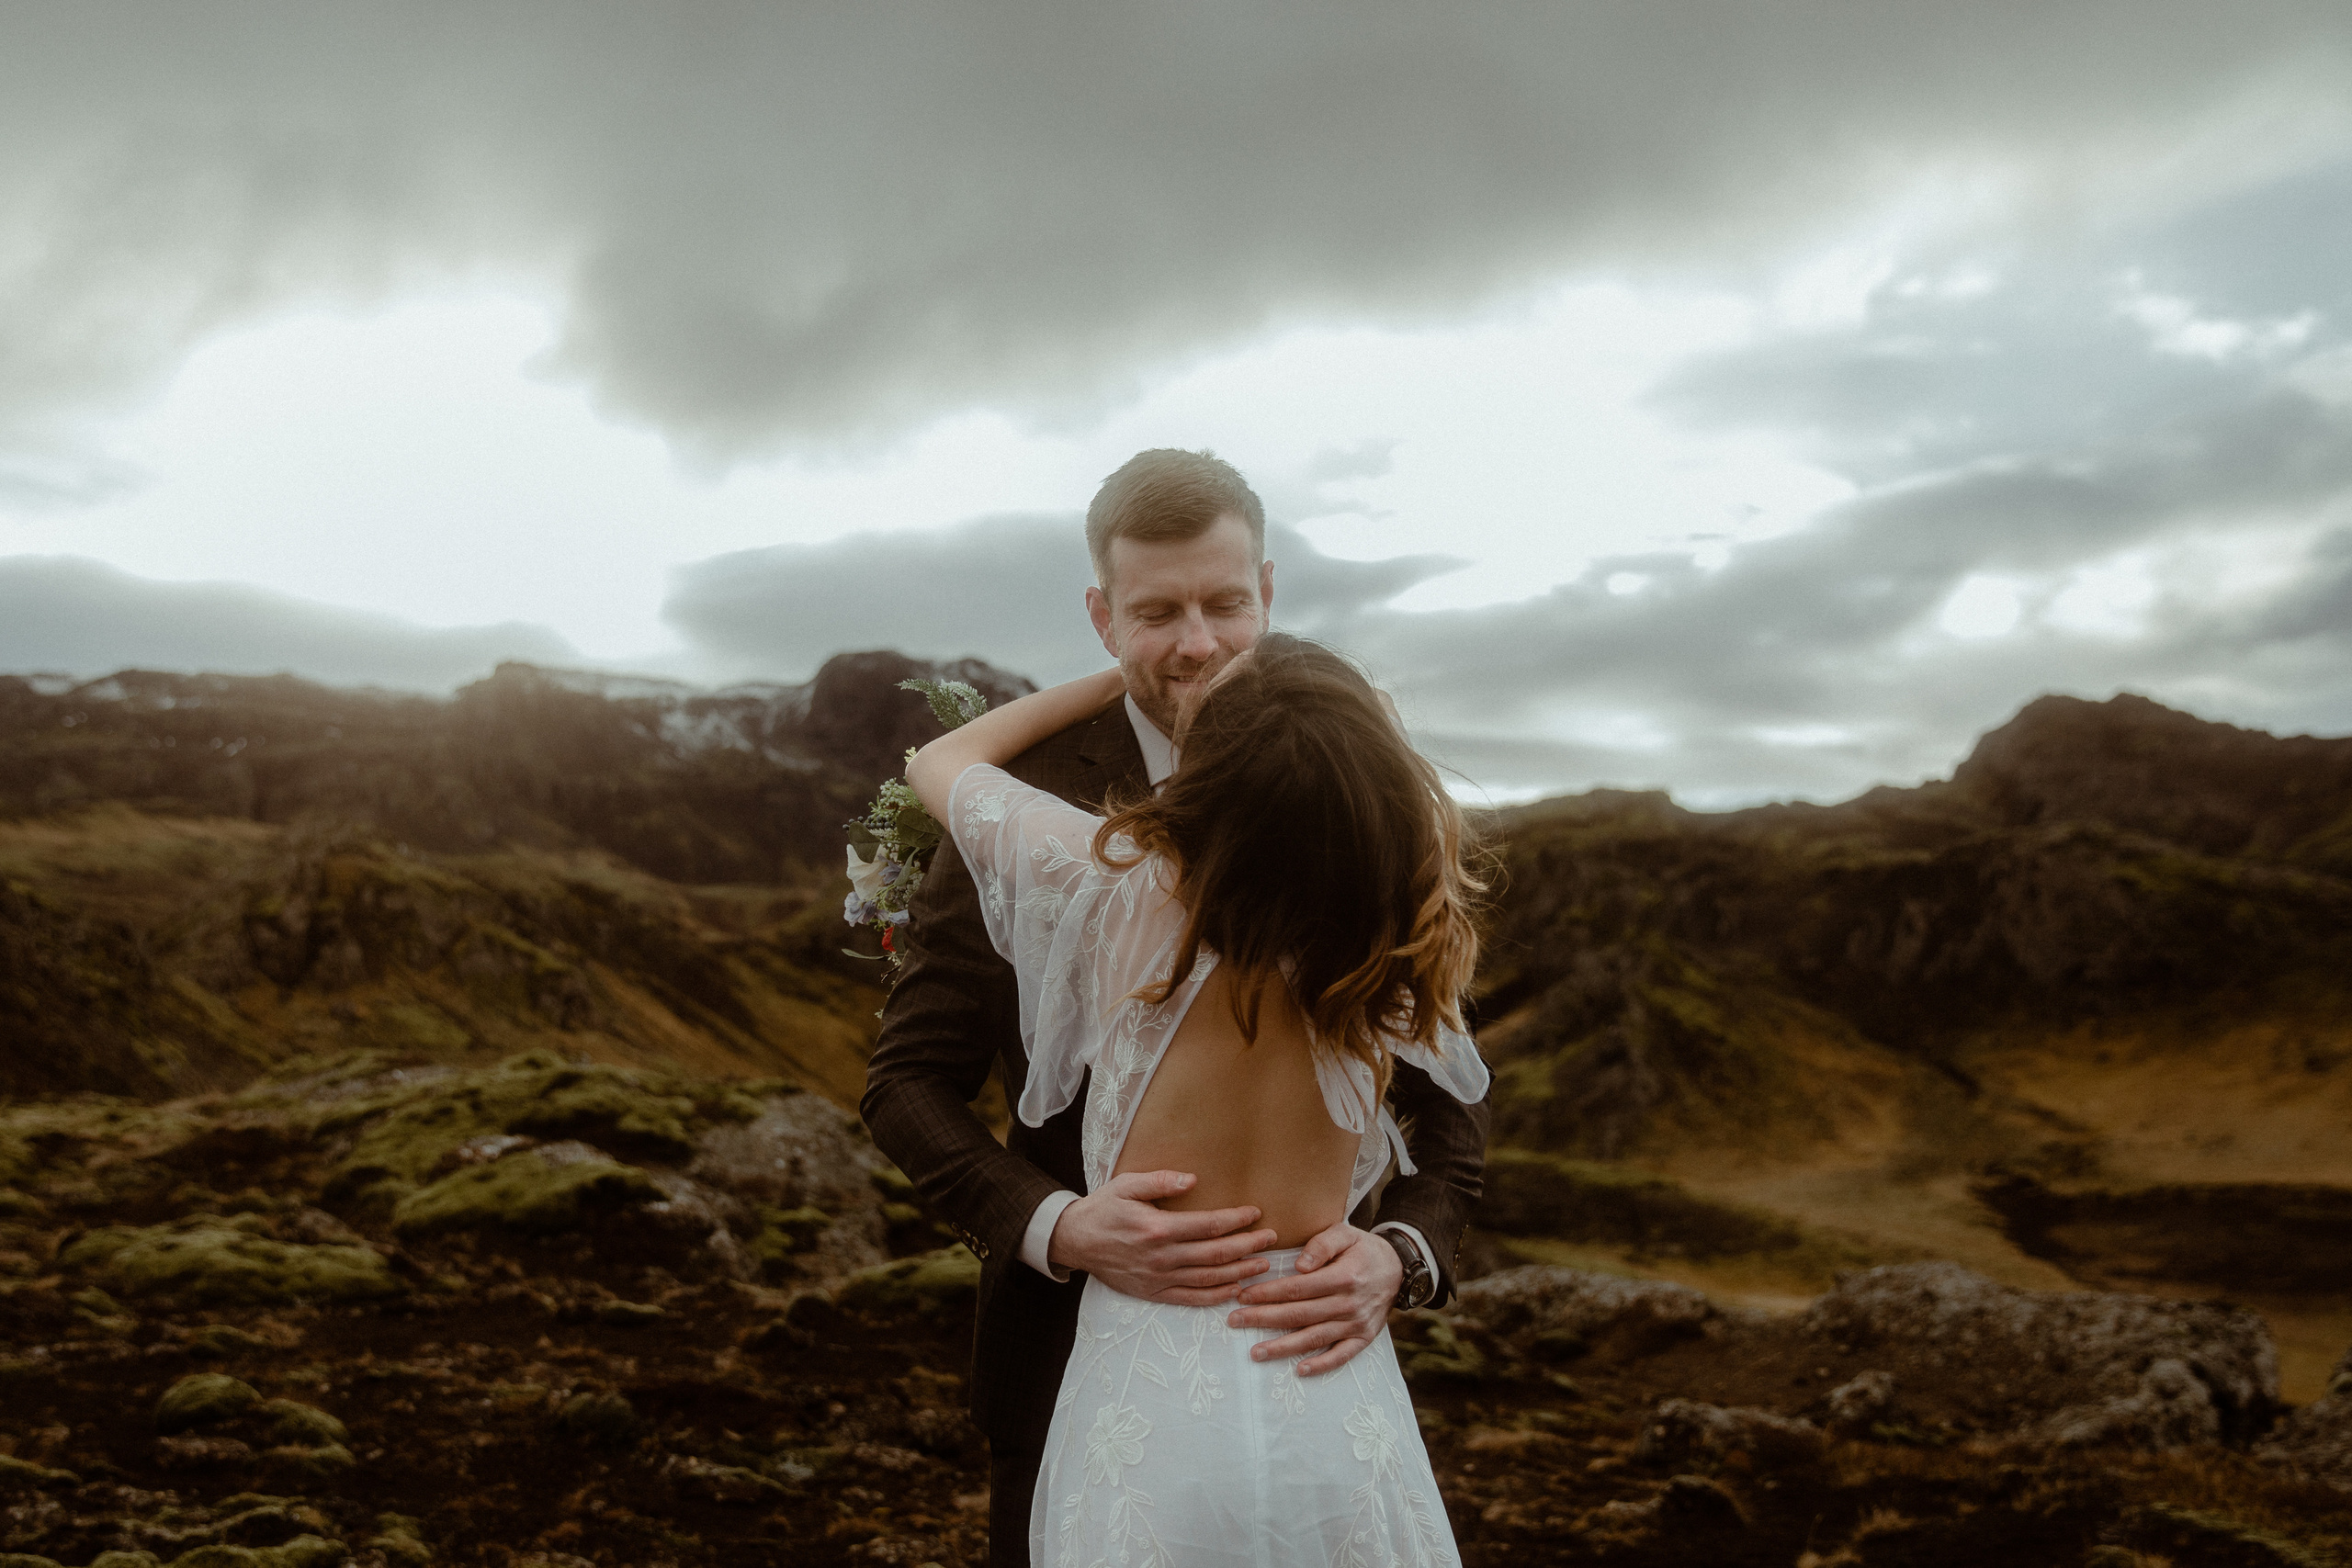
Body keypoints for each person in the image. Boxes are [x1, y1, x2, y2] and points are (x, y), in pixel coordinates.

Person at [861, 449, 1490, 1564]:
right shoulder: (1393, 844)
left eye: (1225, 608)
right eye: (1158, 614)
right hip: (1073, 1361)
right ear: (1102, 617)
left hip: (1303, 1356)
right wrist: (1056, 1225)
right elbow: (906, 1080)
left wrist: (1403, 1251)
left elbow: (1450, 1117)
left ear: (1270, 599)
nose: (1198, 645)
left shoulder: (1093, 872)